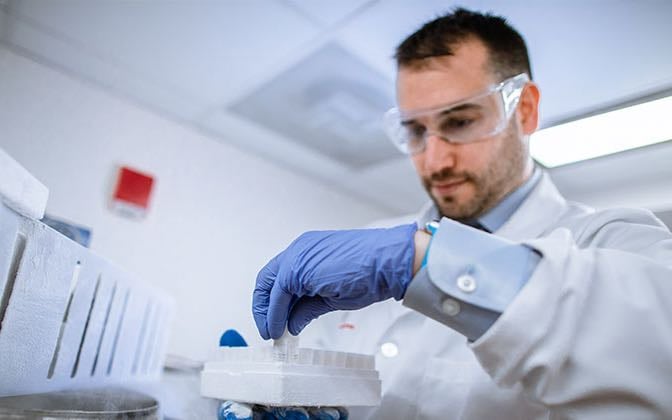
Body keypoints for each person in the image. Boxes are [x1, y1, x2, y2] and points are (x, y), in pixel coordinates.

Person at [252, 8, 672, 419]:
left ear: (524, 109)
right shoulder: (366, 251)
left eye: (460, 122)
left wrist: (424, 263)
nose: (434, 161)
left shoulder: (609, 240)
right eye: (416, 131)